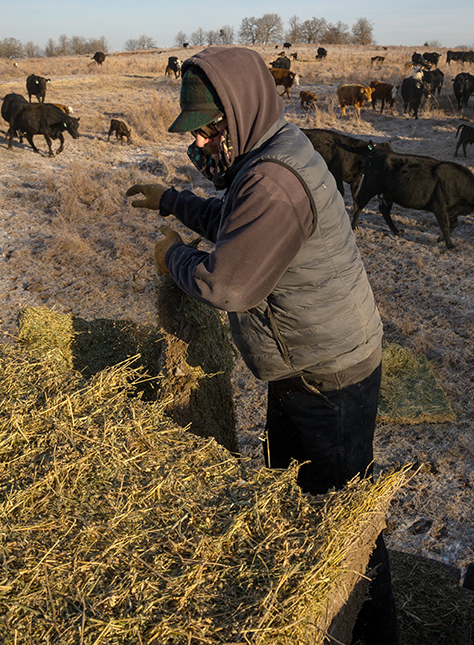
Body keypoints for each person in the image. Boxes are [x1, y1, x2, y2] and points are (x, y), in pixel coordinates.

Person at [125, 46, 399, 644]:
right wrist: (172, 201)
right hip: (307, 367)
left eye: (205, 134)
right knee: (299, 504)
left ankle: (373, 633)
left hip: (328, 379)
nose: (196, 148)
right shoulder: (268, 151)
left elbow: (229, 283)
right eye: (192, 136)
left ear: (239, 113)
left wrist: (171, 255)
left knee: (343, 529)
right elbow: (234, 219)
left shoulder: (273, 179)